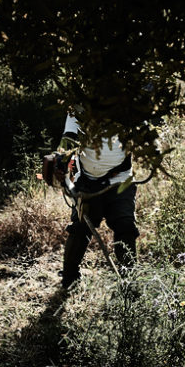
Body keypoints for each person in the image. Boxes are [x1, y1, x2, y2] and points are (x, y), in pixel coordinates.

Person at [57, 109, 139, 289]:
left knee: (125, 227)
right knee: (80, 228)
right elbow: (69, 137)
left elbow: (146, 132)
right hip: (88, 181)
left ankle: (129, 284)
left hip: (120, 180)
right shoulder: (80, 107)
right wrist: (61, 159)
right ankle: (69, 280)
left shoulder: (129, 106)